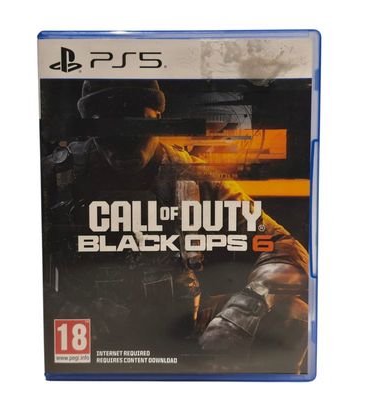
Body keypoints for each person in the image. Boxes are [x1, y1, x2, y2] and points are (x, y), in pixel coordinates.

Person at [42, 80, 309, 373]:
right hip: (86, 326)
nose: (123, 141)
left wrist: (245, 308)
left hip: (181, 323)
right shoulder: (54, 177)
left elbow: (282, 246)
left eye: (136, 125)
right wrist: (58, 305)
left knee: (291, 315)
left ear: (158, 119)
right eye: (108, 128)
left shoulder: (195, 176)